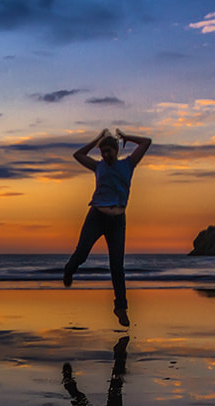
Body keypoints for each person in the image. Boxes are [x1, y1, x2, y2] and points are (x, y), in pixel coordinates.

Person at [63, 127, 151, 326]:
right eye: (103, 153)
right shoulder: (98, 167)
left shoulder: (129, 164)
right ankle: (69, 269)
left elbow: (147, 142)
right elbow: (77, 154)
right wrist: (96, 140)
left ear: (116, 151)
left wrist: (127, 137)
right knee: (82, 252)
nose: (105, 156)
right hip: (96, 216)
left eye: (108, 152)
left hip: (118, 221)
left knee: (117, 267)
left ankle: (121, 308)